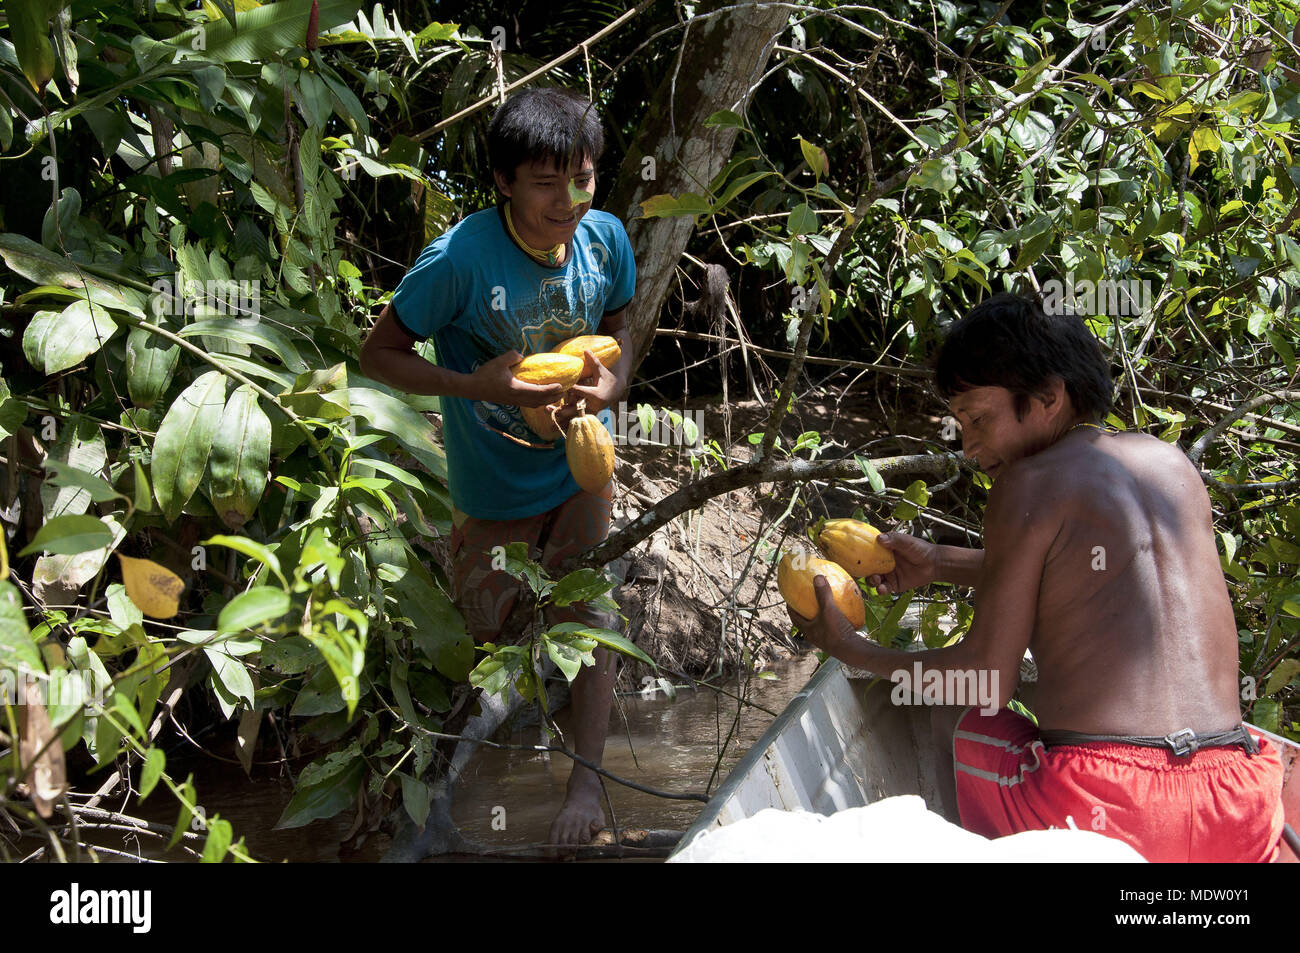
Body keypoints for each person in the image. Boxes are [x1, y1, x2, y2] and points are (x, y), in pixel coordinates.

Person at [788, 292, 1285, 862]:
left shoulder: (1027, 485)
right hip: (1238, 800)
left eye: (978, 419)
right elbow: (1092, 575)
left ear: (1049, 397)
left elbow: (984, 680)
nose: (970, 446)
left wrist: (853, 647)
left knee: (962, 711)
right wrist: (941, 562)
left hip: (1110, 804)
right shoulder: (1171, 465)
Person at [359, 87, 636, 848]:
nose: (567, 201)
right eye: (545, 183)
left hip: (583, 473)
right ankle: (471, 801)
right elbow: (378, 354)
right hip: (492, 492)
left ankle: (584, 783)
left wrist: (613, 384)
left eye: (581, 179)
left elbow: (619, 328)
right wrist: (474, 384)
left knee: (594, 619)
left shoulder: (606, 239)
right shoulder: (458, 260)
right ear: (506, 181)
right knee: (497, 648)